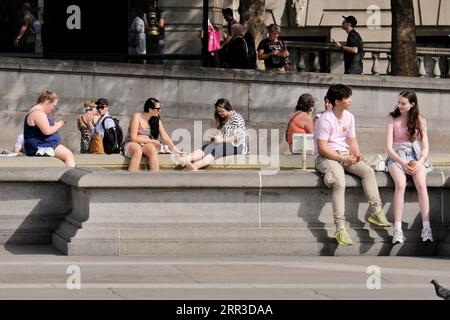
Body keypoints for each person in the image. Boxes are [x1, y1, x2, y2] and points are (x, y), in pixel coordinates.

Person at [314, 84, 390, 246]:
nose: (350, 101)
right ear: (337, 101)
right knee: (339, 182)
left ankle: (376, 211)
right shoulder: (324, 120)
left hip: (344, 153)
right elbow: (322, 148)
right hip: (326, 156)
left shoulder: (349, 117)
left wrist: (357, 154)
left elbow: (352, 140)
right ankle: (340, 228)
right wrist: (342, 160)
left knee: (368, 171)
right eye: (347, 98)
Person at [385, 90, 433, 244]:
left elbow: (425, 147)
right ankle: (397, 230)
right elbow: (388, 148)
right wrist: (402, 163)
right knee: (400, 184)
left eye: (403, 103)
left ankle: (427, 228)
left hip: (415, 155)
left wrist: (419, 162)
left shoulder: (420, 119)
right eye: (398, 102)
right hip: (397, 157)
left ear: (412, 104)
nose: (399, 105)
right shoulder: (392, 118)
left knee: (421, 185)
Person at [174, 98, 246, 171]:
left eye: (222, 111)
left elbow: (238, 137)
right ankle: (184, 160)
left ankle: (196, 165)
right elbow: (223, 135)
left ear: (228, 108)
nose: (220, 114)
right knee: (206, 147)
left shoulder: (237, 118)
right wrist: (215, 138)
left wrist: (222, 140)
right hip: (226, 143)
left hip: (238, 146)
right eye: (218, 111)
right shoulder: (225, 118)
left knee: (219, 149)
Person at [122, 98, 182, 171]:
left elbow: (165, 136)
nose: (160, 110)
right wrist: (153, 141)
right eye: (158, 108)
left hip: (146, 143)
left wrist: (174, 149)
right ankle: (131, 179)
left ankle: (155, 178)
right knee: (137, 150)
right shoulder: (137, 116)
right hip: (131, 143)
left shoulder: (156, 120)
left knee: (152, 150)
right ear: (150, 109)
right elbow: (133, 138)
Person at [23, 90, 75, 167]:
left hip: (43, 144)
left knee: (68, 155)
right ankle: (71, 177)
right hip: (40, 146)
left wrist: (54, 124)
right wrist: (58, 125)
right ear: (47, 102)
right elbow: (47, 131)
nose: (53, 108)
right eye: (53, 105)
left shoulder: (37, 112)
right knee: (68, 155)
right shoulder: (38, 113)